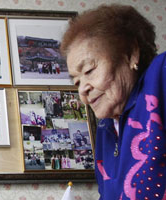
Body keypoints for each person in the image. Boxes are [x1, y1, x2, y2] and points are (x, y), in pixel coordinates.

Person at [60, 4, 165, 199]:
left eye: (89, 70)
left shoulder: (161, 75)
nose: (82, 89)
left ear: (130, 53)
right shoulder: (105, 128)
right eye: (76, 81)